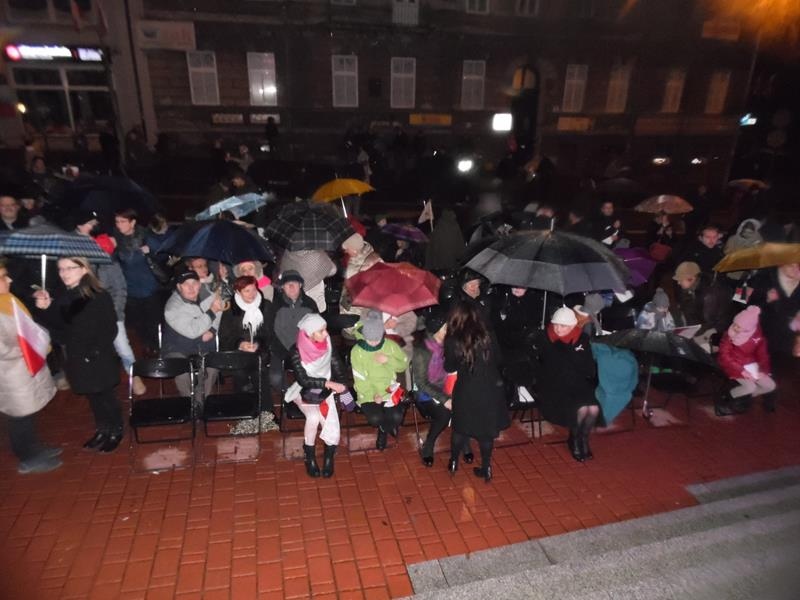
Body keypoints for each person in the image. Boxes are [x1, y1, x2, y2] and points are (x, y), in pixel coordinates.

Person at [34, 257, 123, 453]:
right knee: (93, 397)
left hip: (97, 356)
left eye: (70, 268)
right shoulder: (65, 296)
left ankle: (115, 430)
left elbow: (110, 328)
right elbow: (59, 328)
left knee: (106, 396)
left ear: (84, 269)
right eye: (61, 269)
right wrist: (45, 309)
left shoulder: (97, 295)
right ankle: (102, 430)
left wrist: (94, 350)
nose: (64, 273)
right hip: (76, 356)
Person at [74, 208, 146, 396]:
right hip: (90, 315)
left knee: (123, 347)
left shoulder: (110, 265)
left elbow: (120, 289)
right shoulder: (80, 268)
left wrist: (115, 313)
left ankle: (134, 374)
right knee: (97, 349)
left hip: (113, 313)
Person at [0, 261, 62, 473]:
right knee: (20, 416)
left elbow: (25, 323)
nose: (9, 279)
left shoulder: (7, 299)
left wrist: (39, 302)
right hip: (11, 374)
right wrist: (30, 347)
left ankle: (34, 447)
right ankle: (27, 458)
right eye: (3, 276)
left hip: (25, 368)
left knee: (29, 412)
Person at [444, 301, 509, 481]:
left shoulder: (453, 339)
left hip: (467, 389)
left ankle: (454, 462)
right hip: (490, 389)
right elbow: (499, 359)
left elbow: (449, 366)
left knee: (460, 428)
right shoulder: (488, 335)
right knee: (486, 432)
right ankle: (486, 468)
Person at [284, 313, 348, 478]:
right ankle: (309, 456)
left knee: (328, 421)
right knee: (313, 418)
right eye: (321, 331)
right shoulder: (296, 351)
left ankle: (328, 457)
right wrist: (328, 383)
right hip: (303, 391)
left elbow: (338, 366)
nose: (326, 334)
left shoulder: (328, 344)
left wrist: (343, 384)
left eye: (325, 329)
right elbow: (303, 380)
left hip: (325, 391)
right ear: (310, 334)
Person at [531, 307, 598, 462]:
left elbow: (589, 368)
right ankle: (575, 440)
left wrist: (577, 356)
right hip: (553, 384)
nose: (558, 329)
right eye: (556, 324)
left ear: (573, 326)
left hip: (577, 381)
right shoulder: (545, 339)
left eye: (563, 326)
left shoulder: (582, 339)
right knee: (578, 407)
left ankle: (582, 438)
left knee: (592, 407)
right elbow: (544, 367)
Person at [412, 308, 473, 467]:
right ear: (437, 329)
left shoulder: (449, 344)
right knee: (444, 414)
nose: (451, 329)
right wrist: (445, 399)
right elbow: (421, 383)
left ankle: (463, 440)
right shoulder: (422, 350)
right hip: (426, 393)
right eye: (447, 327)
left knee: (465, 404)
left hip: (448, 386)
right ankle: (429, 444)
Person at [349, 310, 409, 451]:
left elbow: (403, 364)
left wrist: (388, 360)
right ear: (364, 335)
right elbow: (360, 379)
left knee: (397, 417)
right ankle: (384, 426)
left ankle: (384, 430)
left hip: (389, 390)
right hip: (368, 392)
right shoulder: (357, 352)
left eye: (377, 339)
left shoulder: (390, 345)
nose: (374, 343)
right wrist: (373, 394)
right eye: (371, 339)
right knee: (375, 419)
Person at [162, 270, 224, 403]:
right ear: (179, 287)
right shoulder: (172, 308)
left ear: (199, 284)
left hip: (205, 346)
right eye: (186, 284)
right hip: (178, 348)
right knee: (182, 371)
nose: (191, 288)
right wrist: (212, 311)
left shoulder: (209, 294)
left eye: (194, 283)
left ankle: (200, 401)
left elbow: (221, 308)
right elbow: (193, 331)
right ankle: (189, 402)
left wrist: (212, 330)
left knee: (212, 368)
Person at [113, 208, 163, 354]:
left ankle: (156, 348)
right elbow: (117, 261)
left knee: (152, 321)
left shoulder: (145, 236)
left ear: (132, 222)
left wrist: (150, 251)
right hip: (130, 289)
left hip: (149, 288)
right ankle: (146, 347)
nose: (119, 225)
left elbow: (161, 254)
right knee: (138, 323)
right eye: (117, 221)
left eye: (123, 221)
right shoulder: (117, 240)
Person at [219, 275, 273, 398]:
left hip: (260, 350)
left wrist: (258, 343)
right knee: (240, 373)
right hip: (237, 351)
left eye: (254, 289)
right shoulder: (230, 307)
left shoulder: (265, 305)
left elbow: (269, 332)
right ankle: (243, 405)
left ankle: (264, 407)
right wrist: (240, 344)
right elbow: (224, 334)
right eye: (247, 291)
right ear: (238, 292)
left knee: (260, 372)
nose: (252, 294)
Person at [717, 306, 777, 415]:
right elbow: (724, 356)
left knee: (770, 386)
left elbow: (763, 355)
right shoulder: (729, 335)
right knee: (750, 387)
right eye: (735, 324)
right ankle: (728, 396)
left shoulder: (757, 336)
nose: (734, 328)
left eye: (739, 327)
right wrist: (742, 371)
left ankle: (744, 396)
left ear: (748, 328)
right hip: (732, 365)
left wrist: (763, 370)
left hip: (750, 365)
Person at [269, 270, 319, 394]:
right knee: (275, 378)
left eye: (295, 283)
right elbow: (270, 332)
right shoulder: (274, 306)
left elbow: (317, 329)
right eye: (287, 284)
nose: (291, 287)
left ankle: (306, 394)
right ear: (282, 287)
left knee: (315, 376)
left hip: (305, 350)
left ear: (300, 285)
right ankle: (290, 394)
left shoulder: (310, 304)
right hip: (281, 350)